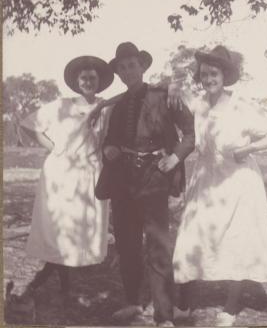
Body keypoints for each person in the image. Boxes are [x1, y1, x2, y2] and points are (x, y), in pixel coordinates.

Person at [172, 45, 267, 326]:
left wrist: (249, 147)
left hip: (239, 183)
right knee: (191, 236)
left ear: (225, 75)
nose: (209, 79)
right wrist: (173, 86)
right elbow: (175, 88)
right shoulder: (199, 104)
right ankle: (184, 303)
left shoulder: (241, 107)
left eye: (214, 73)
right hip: (206, 180)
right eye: (204, 75)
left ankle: (231, 305)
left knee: (236, 242)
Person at [95, 42, 195, 327]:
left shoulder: (165, 96)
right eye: (122, 67)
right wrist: (108, 149)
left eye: (132, 65)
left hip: (154, 178)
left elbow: (190, 133)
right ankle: (133, 303)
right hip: (123, 181)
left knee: (158, 246)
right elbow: (109, 140)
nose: (128, 71)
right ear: (119, 73)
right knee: (126, 245)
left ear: (142, 66)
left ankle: (163, 315)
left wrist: (175, 158)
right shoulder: (118, 106)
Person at [20, 56, 115, 301]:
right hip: (62, 172)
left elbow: (127, 100)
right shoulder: (61, 106)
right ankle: (58, 281)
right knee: (60, 226)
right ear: (76, 81)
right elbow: (30, 125)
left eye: (93, 78)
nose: (88, 82)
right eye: (83, 78)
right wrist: (53, 147)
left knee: (80, 226)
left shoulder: (106, 107)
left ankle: (64, 276)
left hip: (90, 171)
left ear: (100, 81)